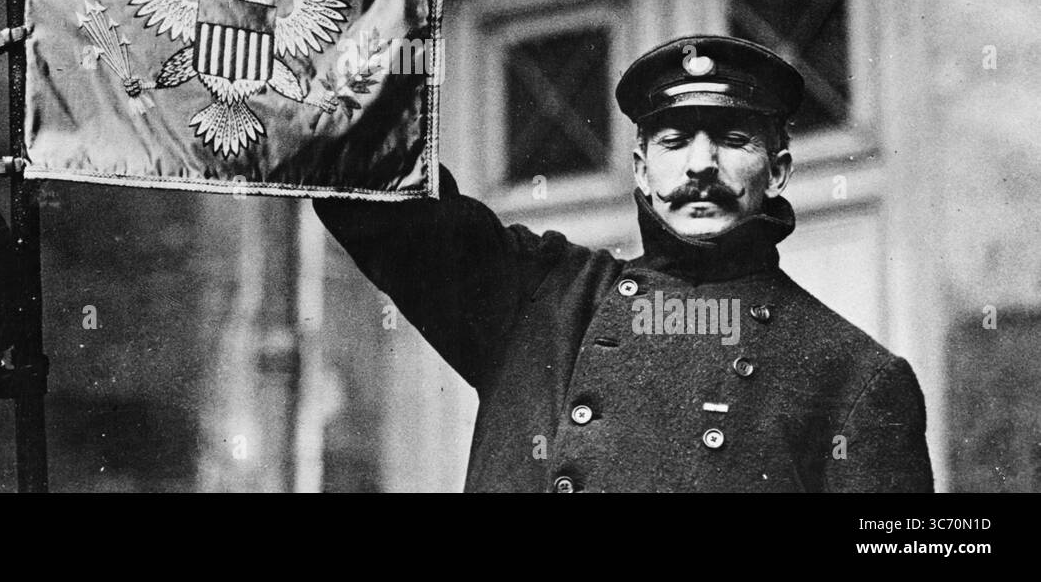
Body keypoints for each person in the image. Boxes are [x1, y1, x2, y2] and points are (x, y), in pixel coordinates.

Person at [312, 34, 934, 492]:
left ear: (777, 170)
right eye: (673, 141)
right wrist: (335, 47)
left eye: (733, 140)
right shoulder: (540, 299)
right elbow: (386, 205)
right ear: (640, 166)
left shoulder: (854, 377)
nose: (700, 166)